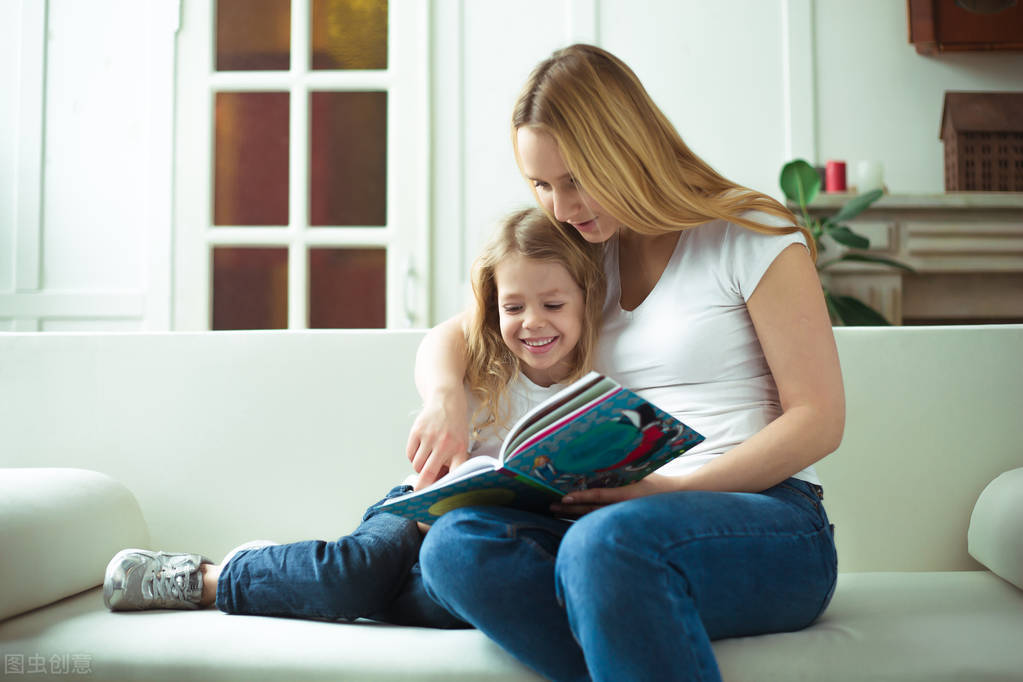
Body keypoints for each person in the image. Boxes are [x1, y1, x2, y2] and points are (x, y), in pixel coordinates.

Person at [407, 44, 845, 682]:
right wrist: (445, 397)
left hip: (766, 518)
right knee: (455, 547)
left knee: (606, 547)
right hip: (611, 521)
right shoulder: (586, 257)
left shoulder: (749, 232)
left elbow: (819, 419)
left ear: (626, 147)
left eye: (575, 179)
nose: (559, 207)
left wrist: (666, 490)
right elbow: (454, 335)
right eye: (541, 185)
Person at [102, 206, 606, 628]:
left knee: (444, 601)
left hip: (483, 545)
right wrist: (442, 395)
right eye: (513, 306)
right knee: (357, 574)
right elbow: (440, 340)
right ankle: (209, 577)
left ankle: (288, 572)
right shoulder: (484, 355)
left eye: (553, 304)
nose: (532, 322)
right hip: (420, 512)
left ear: (586, 300)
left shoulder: (604, 376)